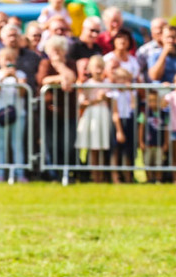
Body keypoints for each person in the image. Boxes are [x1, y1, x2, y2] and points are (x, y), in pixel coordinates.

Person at [37, 36, 78, 177]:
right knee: (50, 144)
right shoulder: (45, 63)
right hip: (50, 111)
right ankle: (53, 174)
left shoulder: (71, 63)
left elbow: (73, 77)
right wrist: (61, 79)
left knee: (67, 144)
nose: (56, 54)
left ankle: (66, 172)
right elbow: (43, 79)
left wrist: (60, 67)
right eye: (53, 51)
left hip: (68, 112)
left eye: (58, 50)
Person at [0, 47, 26, 182]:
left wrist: (14, 76)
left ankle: (19, 174)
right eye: (6, 59)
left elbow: (22, 93)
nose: (9, 62)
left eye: (11, 59)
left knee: (17, 144)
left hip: (18, 113)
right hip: (0, 113)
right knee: (0, 144)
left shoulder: (20, 74)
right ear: (0, 60)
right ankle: (0, 173)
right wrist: (4, 77)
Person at [75, 55, 114, 183]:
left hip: (104, 114)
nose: (98, 70)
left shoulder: (108, 83)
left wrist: (106, 98)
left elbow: (113, 99)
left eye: (101, 67)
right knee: (93, 147)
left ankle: (103, 176)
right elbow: (82, 102)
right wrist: (96, 99)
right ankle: (95, 176)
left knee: (103, 145)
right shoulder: (87, 84)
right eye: (96, 68)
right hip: (91, 116)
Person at [107, 66, 136, 184]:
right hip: (118, 122)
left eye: (125, 78)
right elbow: (115, 113)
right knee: (116, 151)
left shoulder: (132, 92)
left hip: (129, 121)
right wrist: (119, 131)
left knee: (128, 151)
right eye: (120, 78)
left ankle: (128, 177)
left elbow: (133, 107)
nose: (122, 81)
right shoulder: (114, 94)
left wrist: (130, 91)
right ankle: (115, 177)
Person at [140, 89, 167, 183]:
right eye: (150, 101)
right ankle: (149, 179)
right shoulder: (144, 114)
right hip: (148, 142)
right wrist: (141, 142)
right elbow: (141, 127)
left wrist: (166, 143)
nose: (153, 103)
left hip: (159, 143)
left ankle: (158, 179)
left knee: (158, 162)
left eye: (155, 100)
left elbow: (166, 129)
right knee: (147, 162)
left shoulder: (163, 114)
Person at [67, 16, 103, 81]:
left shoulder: (97, 48)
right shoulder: (73, 45)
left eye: (97, 31)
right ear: (83, 28)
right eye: (92, 30)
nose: (95, 34)